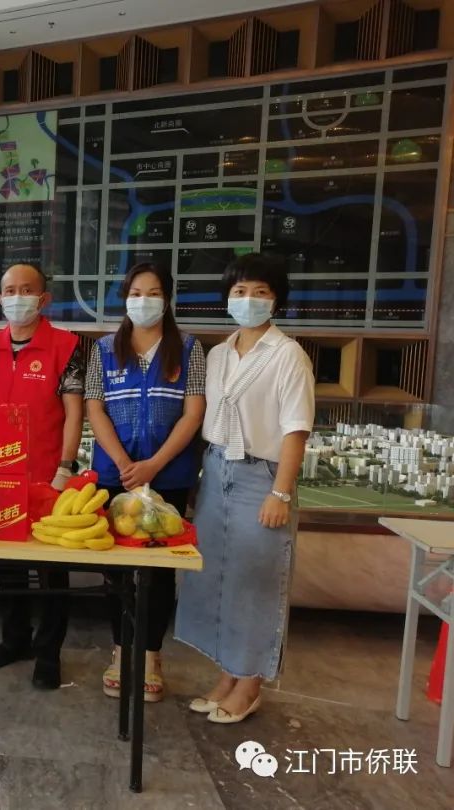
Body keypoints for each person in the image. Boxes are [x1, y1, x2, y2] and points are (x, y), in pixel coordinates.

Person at [175, 254, 314, 724]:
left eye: (260, 291)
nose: (248, 299)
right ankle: (227, 674)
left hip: (262, 476)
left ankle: (250, 682)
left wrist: (281, 493)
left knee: (257, 580)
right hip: (216, 472)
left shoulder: (288, 355)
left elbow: (296, 429)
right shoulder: (217, 354)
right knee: (219, 578)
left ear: (276, 300)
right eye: (239, 291)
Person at [85, 262, 206, 703]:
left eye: (153, 293)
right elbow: (94, 407)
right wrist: (123, 462)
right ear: (125, 299)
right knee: (116, 569)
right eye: (136, 293)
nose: (144, 301)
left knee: (158, 571)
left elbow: (194, 412)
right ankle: (120, 652)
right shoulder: (104, 349)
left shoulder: (189, 348)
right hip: (115, 476)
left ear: (167, 299)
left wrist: (154, 464)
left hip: (167, 477)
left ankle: (151, 656)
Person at [0, 263, 84, 690]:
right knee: (8, 565)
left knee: (51, 569)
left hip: (47, 476)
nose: (16, 297)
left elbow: (75, 413)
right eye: (9, 290)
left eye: (26, 290)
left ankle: (49, 652)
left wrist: (65, 467)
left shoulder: (66, 345)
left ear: (44, 299)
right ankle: (15, 639)